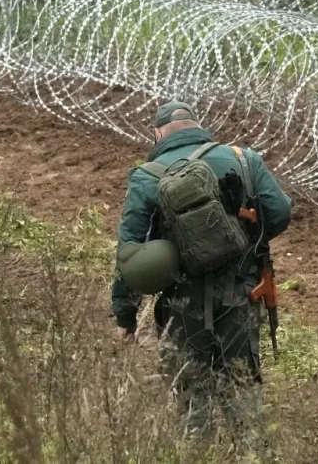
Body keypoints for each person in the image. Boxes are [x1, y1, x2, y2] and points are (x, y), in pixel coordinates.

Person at [111, 101, 292, 451]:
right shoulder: (244, 159)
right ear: (198, 126)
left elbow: (129, 253)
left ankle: (199, 454)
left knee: (192, 396)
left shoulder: (148, 176)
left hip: (181, 303)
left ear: (158, 134)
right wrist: (245, 239)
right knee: (243, 389)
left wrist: (125, 314)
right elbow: (280, 212)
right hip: (242, 294)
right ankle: (252, 455)